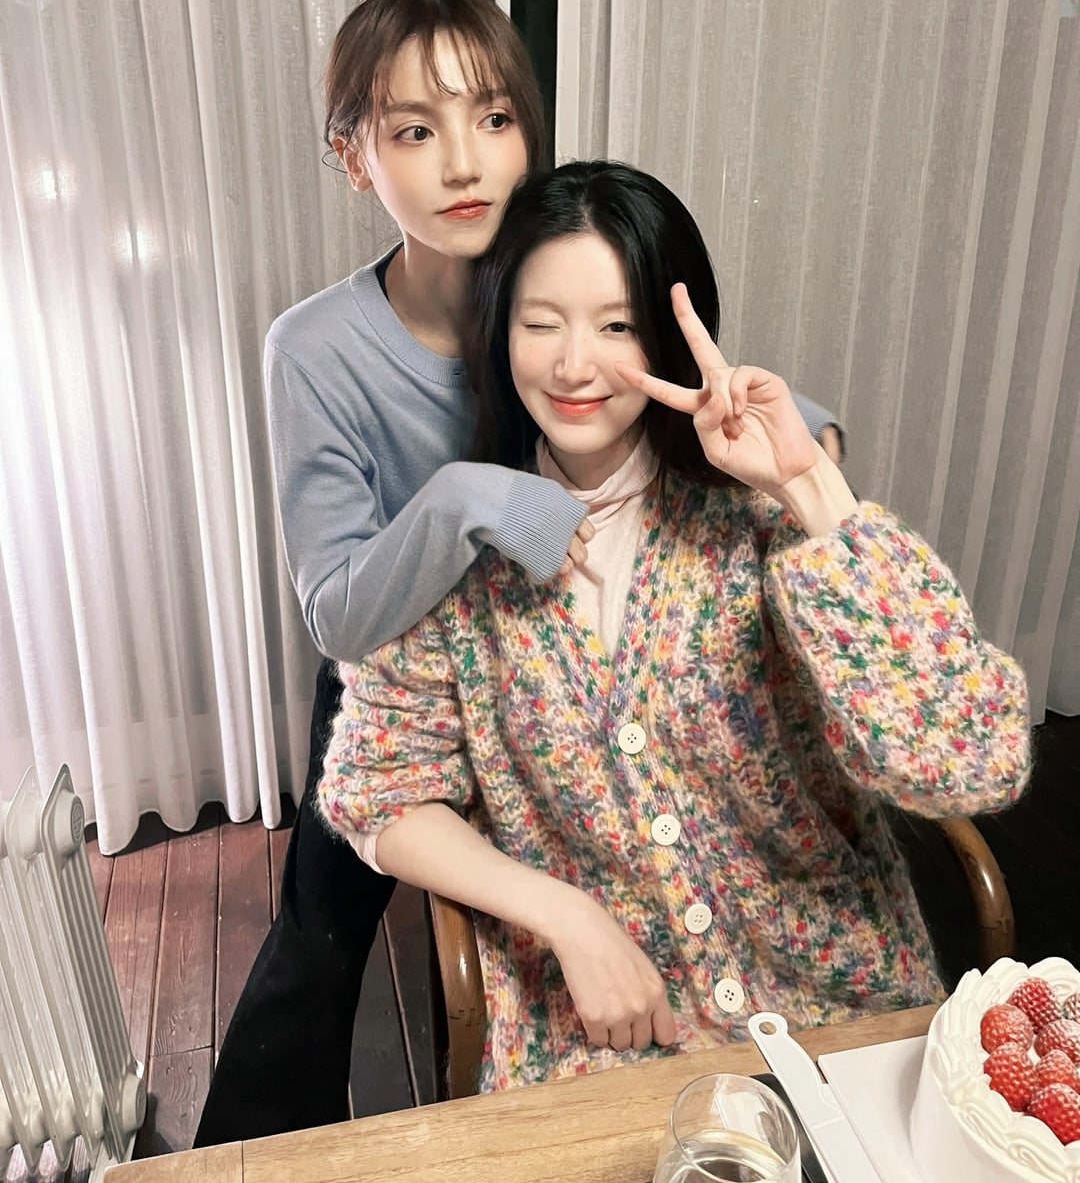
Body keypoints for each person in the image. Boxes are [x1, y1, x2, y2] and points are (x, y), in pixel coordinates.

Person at [195, 0, 844, 1143]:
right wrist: (468, 499)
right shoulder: (316, 348)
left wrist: (806, 454)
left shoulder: (554, 274)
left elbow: (721, 403)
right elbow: (339, 612)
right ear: (353, 157)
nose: (464, 163)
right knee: (319, 939)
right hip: (399, 655)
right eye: (414, 130)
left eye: (494, 119)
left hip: (556, 665)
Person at [318, 160, 1030, 1094]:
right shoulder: (462, 556)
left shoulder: (761, 522)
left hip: (836, 1012)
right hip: (600, 1037)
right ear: (499, 332)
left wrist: (811, 488)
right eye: (541, 322)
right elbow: (375, 795)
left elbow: (967, 763)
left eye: (616, 326)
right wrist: (563, 913)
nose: (575, 366)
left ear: (666, 340)